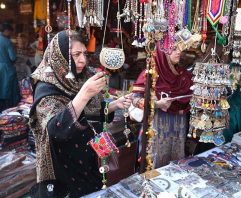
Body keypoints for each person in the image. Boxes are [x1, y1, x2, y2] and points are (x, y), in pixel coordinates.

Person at [29, 30, 132, 197]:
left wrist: (113, 106)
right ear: (60, 56)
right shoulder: (46, 88)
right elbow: (55, 130)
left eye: (84, 53)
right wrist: (84, 94)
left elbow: (87, 114)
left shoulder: (80, 78)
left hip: (88, 160)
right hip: (62, 168)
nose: (83, 60)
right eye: (76, 55)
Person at [132, 43, 193, 168]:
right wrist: (157, 104)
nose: (179, 52)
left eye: (180, 48)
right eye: (174, 48)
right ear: (162, 52)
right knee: (154, 165)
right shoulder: (150, 73)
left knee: (175, 165)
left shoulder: (183, 75)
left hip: (177, 128)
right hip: (156, 127)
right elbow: (134, 99)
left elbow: (190, 100)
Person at [0, 23, 20, 112]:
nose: (11, 34)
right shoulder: (7, 41)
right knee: (8, 89)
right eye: (10, 32)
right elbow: (13, 57)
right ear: (7, 31)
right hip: (7, 68)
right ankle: (9, 109)